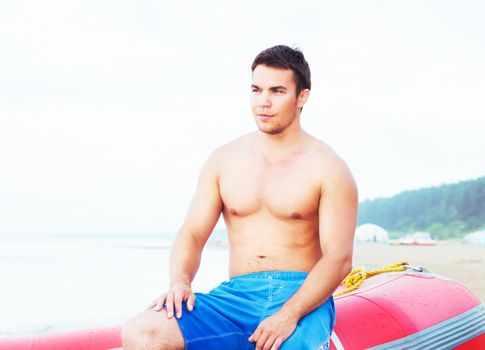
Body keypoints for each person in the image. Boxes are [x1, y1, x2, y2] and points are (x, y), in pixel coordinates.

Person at [121, 45, 358, 350]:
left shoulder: (328, 167)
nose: (264, 102)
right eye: (256, 90)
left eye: (277, 91)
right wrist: (180, 281)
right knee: (141, 332)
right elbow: (192, 234)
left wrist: (289, 314)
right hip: (235, 297)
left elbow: (339, 258)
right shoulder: (224, 160)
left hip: (302, 296)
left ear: (302, 97)